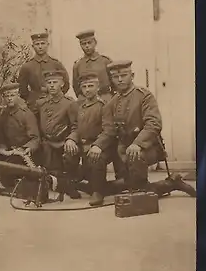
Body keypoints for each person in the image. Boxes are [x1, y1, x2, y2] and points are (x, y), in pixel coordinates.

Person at [98, 60, 196, 197]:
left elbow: (154, 123)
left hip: (147, 147)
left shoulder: (144, 96)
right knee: (123, 186)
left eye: (124, 75)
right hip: (124, 150)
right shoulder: (113, 102)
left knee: (136, 188)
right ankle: (171, 182)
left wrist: (138, 144)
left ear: (132, 75)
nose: (119, 80)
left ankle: (172, 184)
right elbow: (109, 129)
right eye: (115, 77)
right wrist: (97, 146)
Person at [66, 71, 117, 206]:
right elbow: (76, 128)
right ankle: (73, 183)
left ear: (98, 87)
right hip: (84, 145)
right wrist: (71, 139)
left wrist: (98, 145)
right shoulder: (80, 107)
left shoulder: (104, 106)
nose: (87, 90)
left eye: (91, 86)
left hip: (102, 147)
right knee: (68, 153)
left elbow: (109, 130)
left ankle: (97, 191)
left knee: (96, 158)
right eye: (84, 87)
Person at [33, 70, 81, 199]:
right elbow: (35, 123)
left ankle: (70, 185)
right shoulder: (41, 104)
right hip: (47, 142)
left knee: (70, 154)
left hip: (63, 142)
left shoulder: (69, 103)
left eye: (55, 82)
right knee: (47, 165)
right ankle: (54, 184)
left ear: (62, 84)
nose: (52, 85)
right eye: (49, 83)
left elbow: (76, 126)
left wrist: (71, 140)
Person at [0, 82, 40, 196]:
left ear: (18, 95)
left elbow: (35, 138)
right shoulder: (3, 115)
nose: (9, 99)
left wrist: (26, 148)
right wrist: (3, 149)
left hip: (25, 153)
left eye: (12, 95)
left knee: (27, 175)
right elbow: (0, 137)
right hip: (9, 152)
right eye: (6, 96)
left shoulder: (26, 114)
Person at [18, 32, 70, 108]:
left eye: (42, 43)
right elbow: (22, 89)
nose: (40, 47)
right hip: (35, 105)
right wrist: (32, 99)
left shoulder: (56, 64)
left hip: (54, 104)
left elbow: (66, 84)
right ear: (33, 46)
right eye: (37, 44)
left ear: (47, 45)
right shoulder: (27, 66)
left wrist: (56, 97)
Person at [72, 30, 114, 102]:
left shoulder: (105, 61)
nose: (87, 46)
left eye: (89, 43)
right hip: (85, 100)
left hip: (104, 98)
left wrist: (110, 96)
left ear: (95, 43)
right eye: (83, 44)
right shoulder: (78, 65)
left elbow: (113, 81)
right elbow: (76, 86)